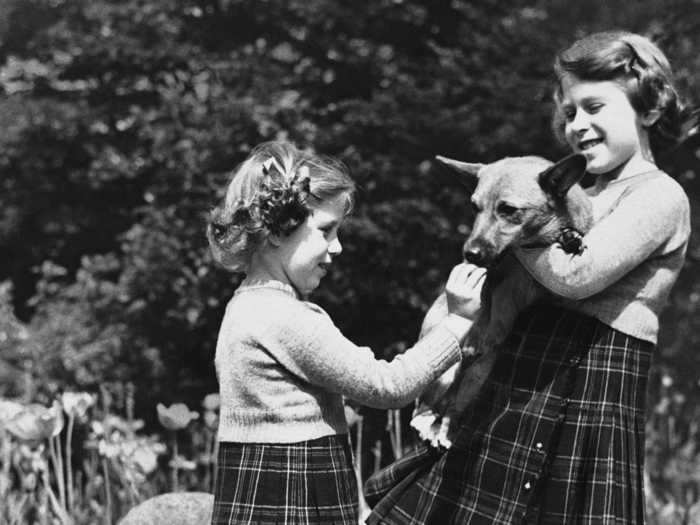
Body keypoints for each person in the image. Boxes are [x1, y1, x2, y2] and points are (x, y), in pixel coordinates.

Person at [365, 30, 694, 524]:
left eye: (594, 107)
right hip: (527, 377)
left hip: (591, 385)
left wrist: (515, 237)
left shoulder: (660, 195)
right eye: (569, 113)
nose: (577, 125)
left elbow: (574, 275)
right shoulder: (581, 193)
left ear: (647, 111)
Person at [206, 140, 485, 524]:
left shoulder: (244, 307)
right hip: (295, 494)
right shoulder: (285, 317)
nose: (337, 247)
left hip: (258, 489)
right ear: (275, 231)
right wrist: (458, 323)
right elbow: (387, 386)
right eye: (326, 230)